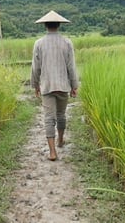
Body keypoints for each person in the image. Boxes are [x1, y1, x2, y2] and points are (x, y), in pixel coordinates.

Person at [31, 10, 79, 161]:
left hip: (47, 86)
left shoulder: (39, 43)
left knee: (48, 118)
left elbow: (35, 67)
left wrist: (35, 85)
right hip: (63, 85)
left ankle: (52, 152)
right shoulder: (67, 42)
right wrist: (74, 85)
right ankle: (60, 140)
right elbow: (71, 66)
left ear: (45, 25)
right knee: (61, 115)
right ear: (59, 25)